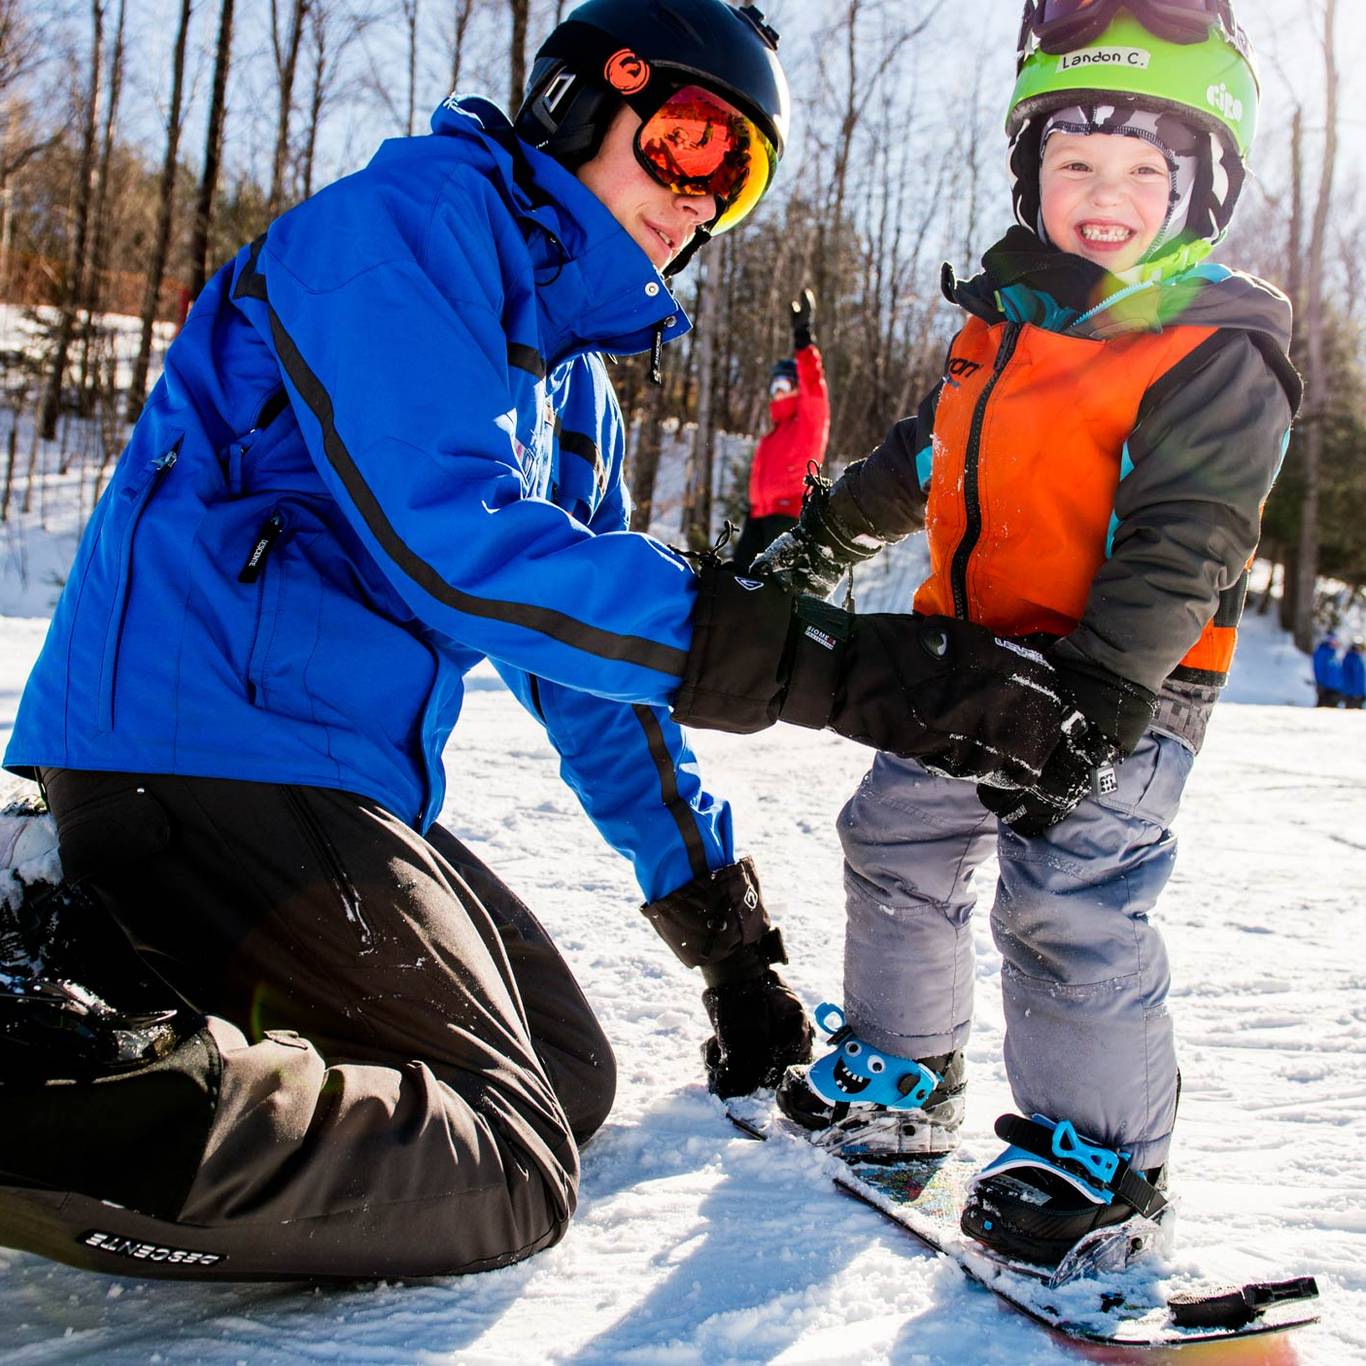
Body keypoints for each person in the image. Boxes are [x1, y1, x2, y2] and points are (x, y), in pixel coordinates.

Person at [0, 0, 1088, 1283]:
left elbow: (587, 680)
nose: (701, 201)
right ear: (581, 98)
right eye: (692, 140)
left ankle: (93, 954)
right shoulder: (403, 229)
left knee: (566, 1076)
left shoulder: (570, 383)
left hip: (320, 776)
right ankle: (56, 1091)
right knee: (505, 1165)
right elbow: (453, 547)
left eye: (735, 182)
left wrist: (728, 944)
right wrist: (837, 669)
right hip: (192, 751)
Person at [754, 0, 1300, 1270]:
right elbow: (927, 458)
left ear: (1198, 187)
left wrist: (1108, 685)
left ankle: (1095, 1162)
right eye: (1073, 165)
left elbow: (1191, 530)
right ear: (1028, 175)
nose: (1102, 195)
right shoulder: (1004, 318)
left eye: (1140, 172)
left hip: (1123, 686)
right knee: (891, 838)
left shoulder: (1210, 341)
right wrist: (824, 533)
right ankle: (901, 1072)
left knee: (1069, 904)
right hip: (966, 664)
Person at [729, 288, 830, 572]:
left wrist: (803, 338)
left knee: (771, 596)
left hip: (786, 518)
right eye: (774, 387)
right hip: (757, 517)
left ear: (797, 388)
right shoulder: (775, 433)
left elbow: (814, 383)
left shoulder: (808, 422)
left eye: (784, 386)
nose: (777, 394)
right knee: (735, 588)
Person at [1313, 629, 1344, 707]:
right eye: (1332, 640)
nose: (1335, 642)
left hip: (1335, 688)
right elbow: (1318, 669)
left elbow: (1338, 671)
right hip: (1326, 687)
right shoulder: (1322, 652)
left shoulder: (1334, 653)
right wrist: (1320, 683)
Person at [1342, 638, 1364, 711]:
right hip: (1352, 694)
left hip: (1358, 693)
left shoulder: (1358, 659)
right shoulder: (1351, 659)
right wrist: (1355, 692)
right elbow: (1350, 677)